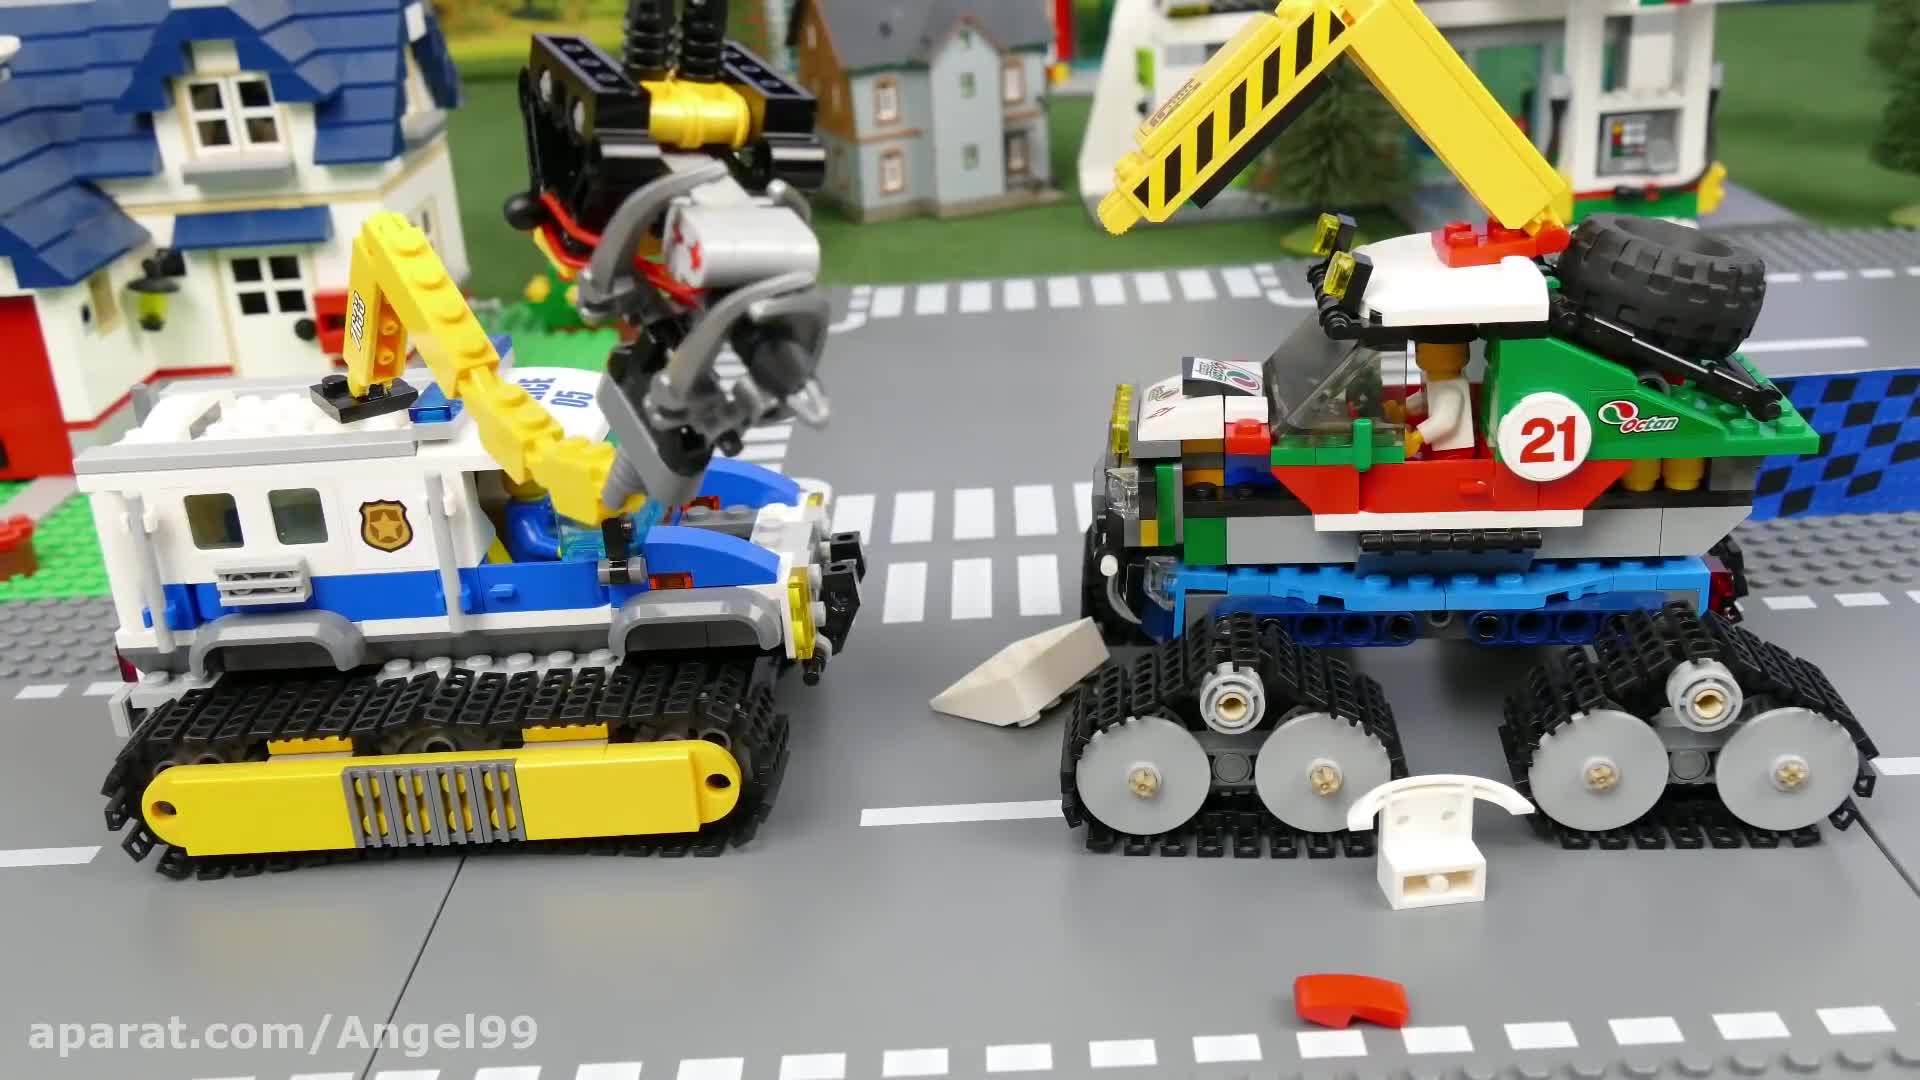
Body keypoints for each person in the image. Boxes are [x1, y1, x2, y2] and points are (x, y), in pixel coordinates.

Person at [1393, 341, 1476, 459]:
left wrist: (1415, 438)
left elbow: (1444, 422)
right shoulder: (1434, 380)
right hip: (1435, 445)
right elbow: (1424, 400)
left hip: (1451, 452)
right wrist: (1403, 409)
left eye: (1420, 346)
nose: (1417, 350)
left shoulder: (1451, 389)